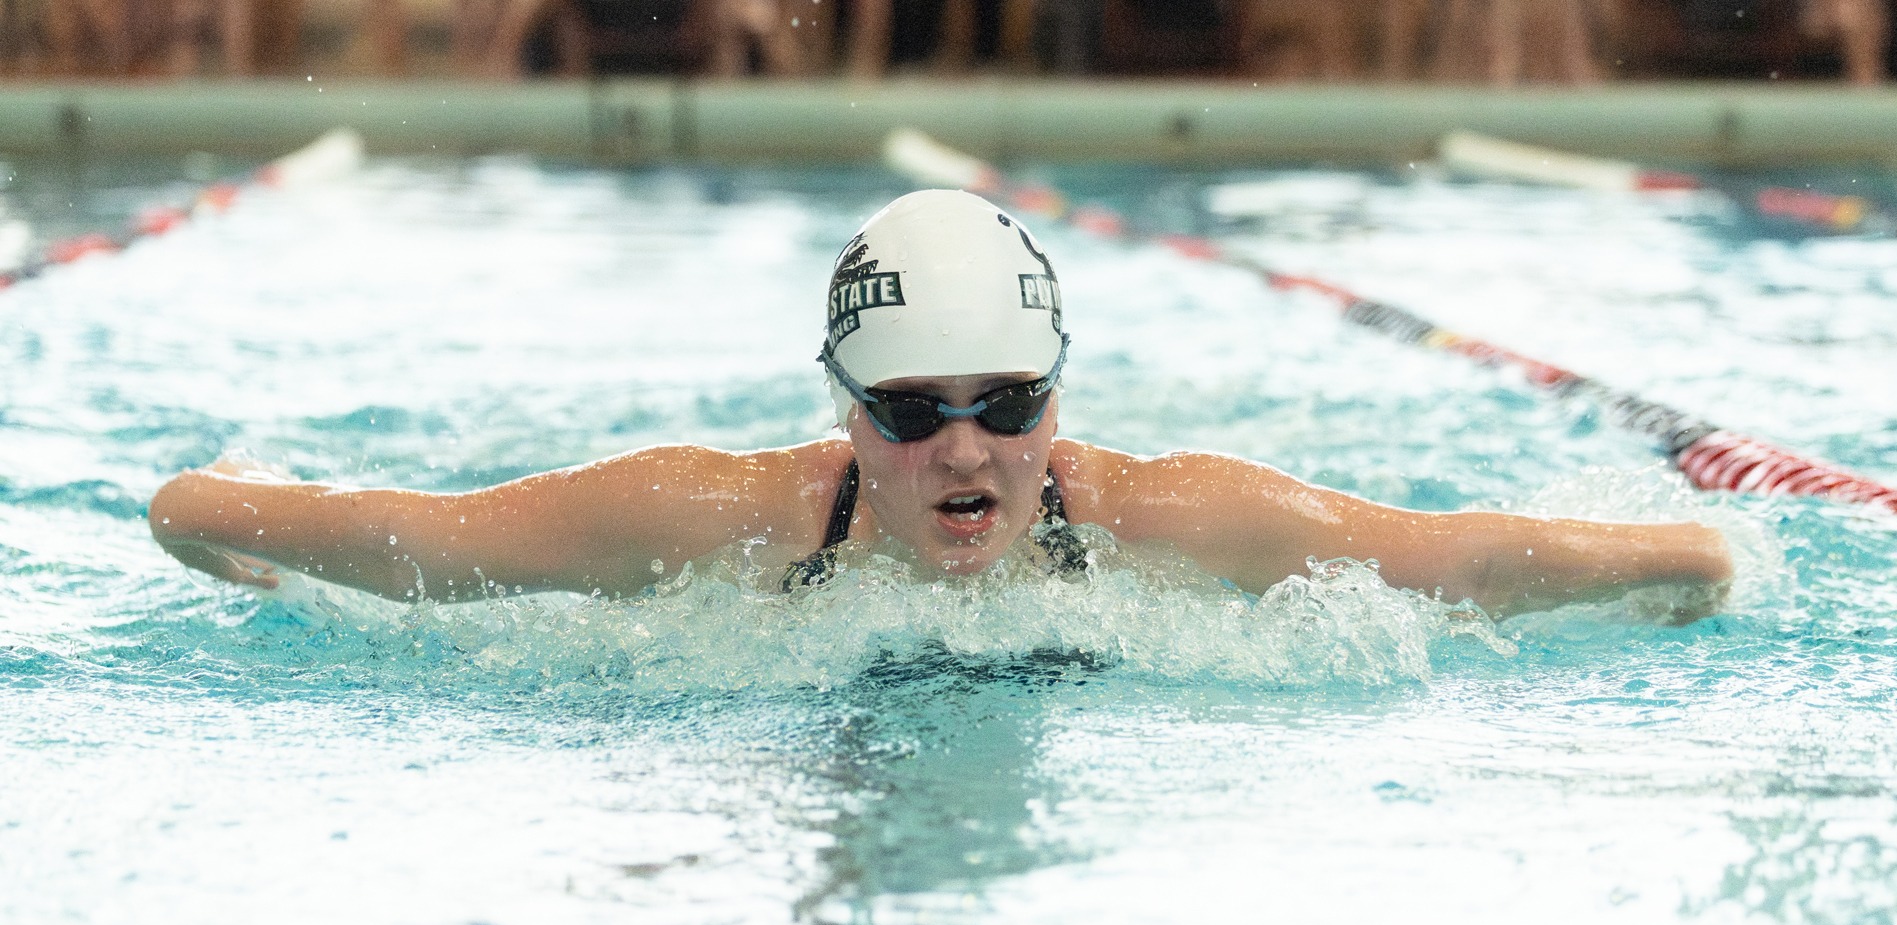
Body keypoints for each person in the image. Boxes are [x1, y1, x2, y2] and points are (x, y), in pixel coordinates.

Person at [148, 189, 1732, 620]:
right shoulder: (715, 517)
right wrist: (229, 537)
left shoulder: (1162, 516)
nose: (966, 447)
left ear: (1058, 399)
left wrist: (1680, 564)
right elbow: (434, 542)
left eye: (1006, 403)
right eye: (914, 414)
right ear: (845, 417)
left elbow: (1442, 558)